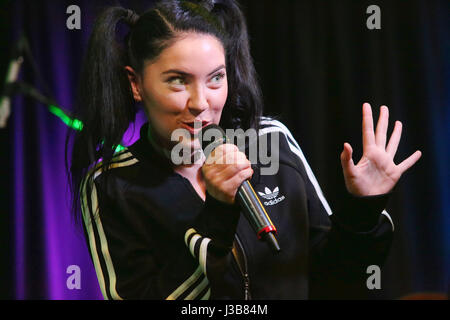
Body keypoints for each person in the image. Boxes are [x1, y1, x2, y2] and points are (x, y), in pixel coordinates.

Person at [67, 0, 422, 300]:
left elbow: (333, 279)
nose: (201, 102)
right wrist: (218, 215)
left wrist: (363, 209)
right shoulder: (110, 185)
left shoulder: (271, 140)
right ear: (136, 84)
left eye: (216, 78)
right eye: (178, 80)